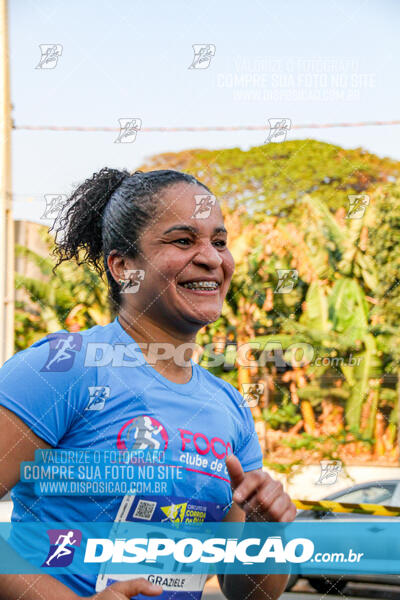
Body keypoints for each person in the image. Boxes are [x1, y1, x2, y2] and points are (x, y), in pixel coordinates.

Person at [0, 168, 296, 600]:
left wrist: (268, 534)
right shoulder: (62, 368)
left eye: (219, 241)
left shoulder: (229, 407)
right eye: (182, 240)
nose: (212, 259)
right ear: (123, 267)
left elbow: (246, 592)